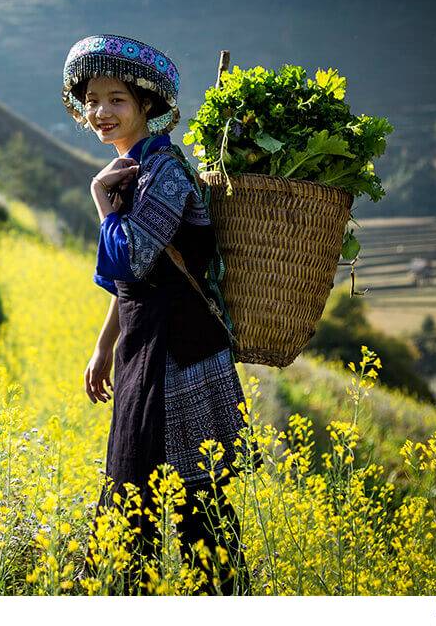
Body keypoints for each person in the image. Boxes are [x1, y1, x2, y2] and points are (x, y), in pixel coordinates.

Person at [60, 34, 252, 595]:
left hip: (183, 356)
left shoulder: (163, 170)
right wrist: (103, 346)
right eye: (92, 100)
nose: (101, 112)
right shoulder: (131, 170)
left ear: (146, 105)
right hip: (145, 349)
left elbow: (136, 259)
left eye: (116, 99)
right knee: (133, 493)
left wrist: (100, 202)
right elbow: (126, 284)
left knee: (197, 504)